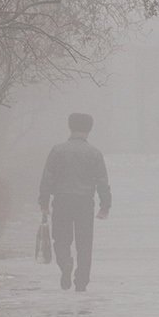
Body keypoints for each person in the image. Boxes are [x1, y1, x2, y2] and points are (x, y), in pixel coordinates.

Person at [38, 113, 111, 291]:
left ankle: (65, 264)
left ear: (70, 127)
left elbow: (47, 178)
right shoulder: (94, 153)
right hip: (84, 202)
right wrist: (105, 205)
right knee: (84, 243)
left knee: (61, 239)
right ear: (89, 129)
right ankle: (81, 281)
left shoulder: (57, 150)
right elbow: (102, 181)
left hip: (62, 200)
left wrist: (44, 201)